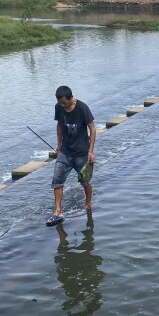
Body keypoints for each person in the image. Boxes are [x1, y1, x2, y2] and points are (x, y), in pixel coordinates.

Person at [47, 85, 96, 226]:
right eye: (59, 102)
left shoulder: (82, 108)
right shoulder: (58, 107)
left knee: (85, 181)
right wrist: (58, 144)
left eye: (64, 102)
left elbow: (92, 129)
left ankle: (88, 204)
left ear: (71, 98)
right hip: (65, 152)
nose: (62, 105)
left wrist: (91, 151)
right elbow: (59, 126)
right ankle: (57, 211)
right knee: (57, 180)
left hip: (81, 153)